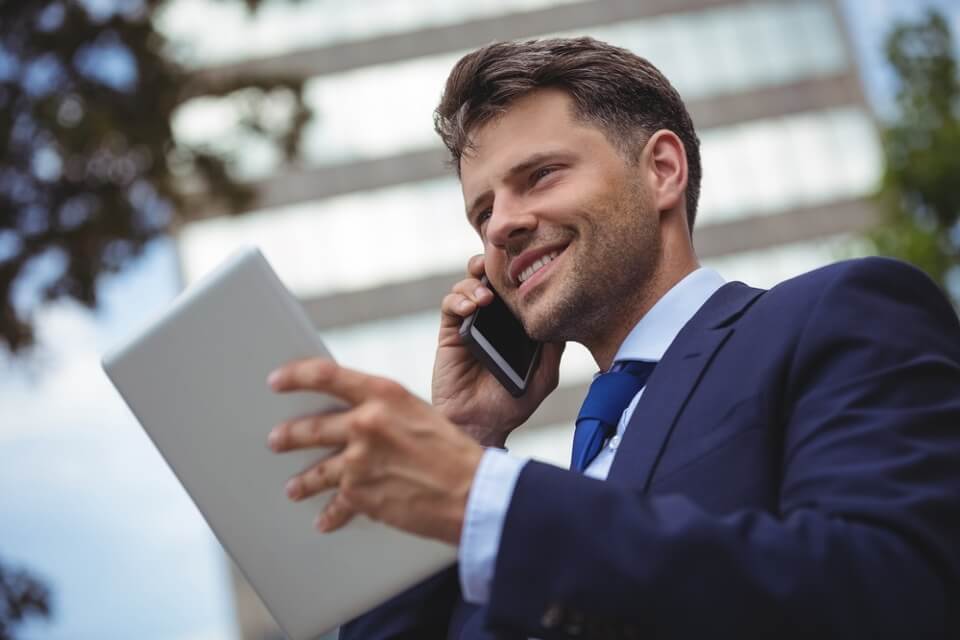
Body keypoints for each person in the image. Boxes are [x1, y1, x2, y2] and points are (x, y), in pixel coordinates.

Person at [265, 38, 960, 638]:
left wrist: (491, 501)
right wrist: (463, 437)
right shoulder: (497, 497)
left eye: (538, 176)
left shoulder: (839, 314)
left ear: (661, 170)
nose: (500, 225)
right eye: (481, 213)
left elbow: (896, 592)